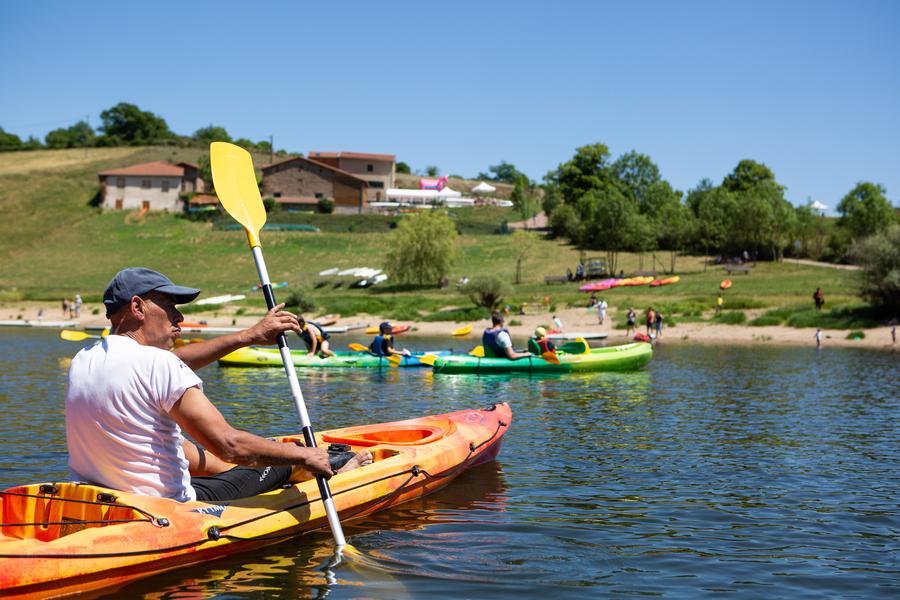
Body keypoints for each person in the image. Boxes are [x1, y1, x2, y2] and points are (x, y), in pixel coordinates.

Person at [65, 267, 371, 503]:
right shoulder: (159, 365)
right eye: (170, 306)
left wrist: (247, 336)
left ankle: (256, 472)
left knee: (192, 451)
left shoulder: (84, 360)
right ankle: (333, 470)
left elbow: (171, 363)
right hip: (170, 509)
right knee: (287, 457)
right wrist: (304, 455)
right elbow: (230, 446)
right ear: (137, 307)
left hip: (107, 500)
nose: (179, 316)